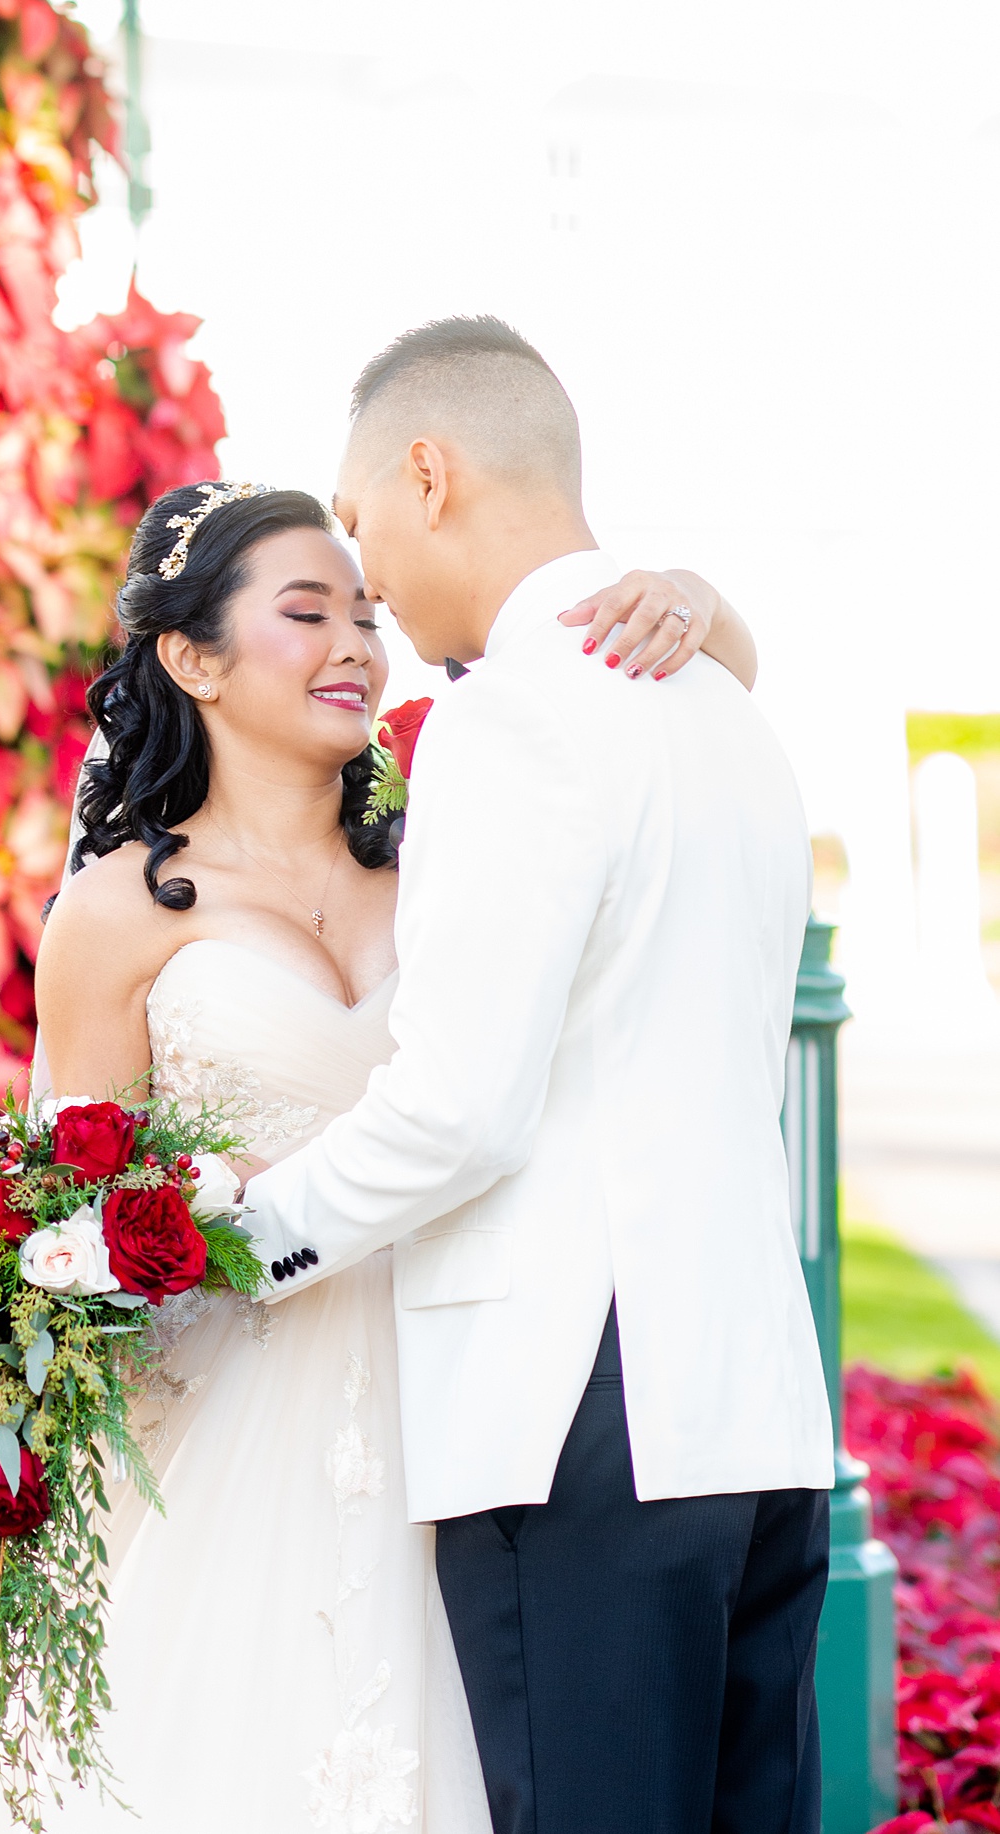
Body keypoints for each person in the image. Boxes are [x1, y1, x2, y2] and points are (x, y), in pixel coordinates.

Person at [0, 441, 760, 1833]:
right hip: (227, 1410)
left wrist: (698, 600)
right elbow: (69, 1210)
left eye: (365, 610)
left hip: (461, 1386)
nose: (356, 642)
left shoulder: (445, 840)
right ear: (191, 658)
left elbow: (699, 713)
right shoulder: (117, 915)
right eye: (307, 610)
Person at [241, 315, 832, 1834]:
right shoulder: (731, 714)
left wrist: (223, 1243)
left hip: (580, 1412)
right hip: (751, 1405)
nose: (373, 592)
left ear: (428, 472)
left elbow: (456, 1108)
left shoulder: (513, 717)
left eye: (367, 534)